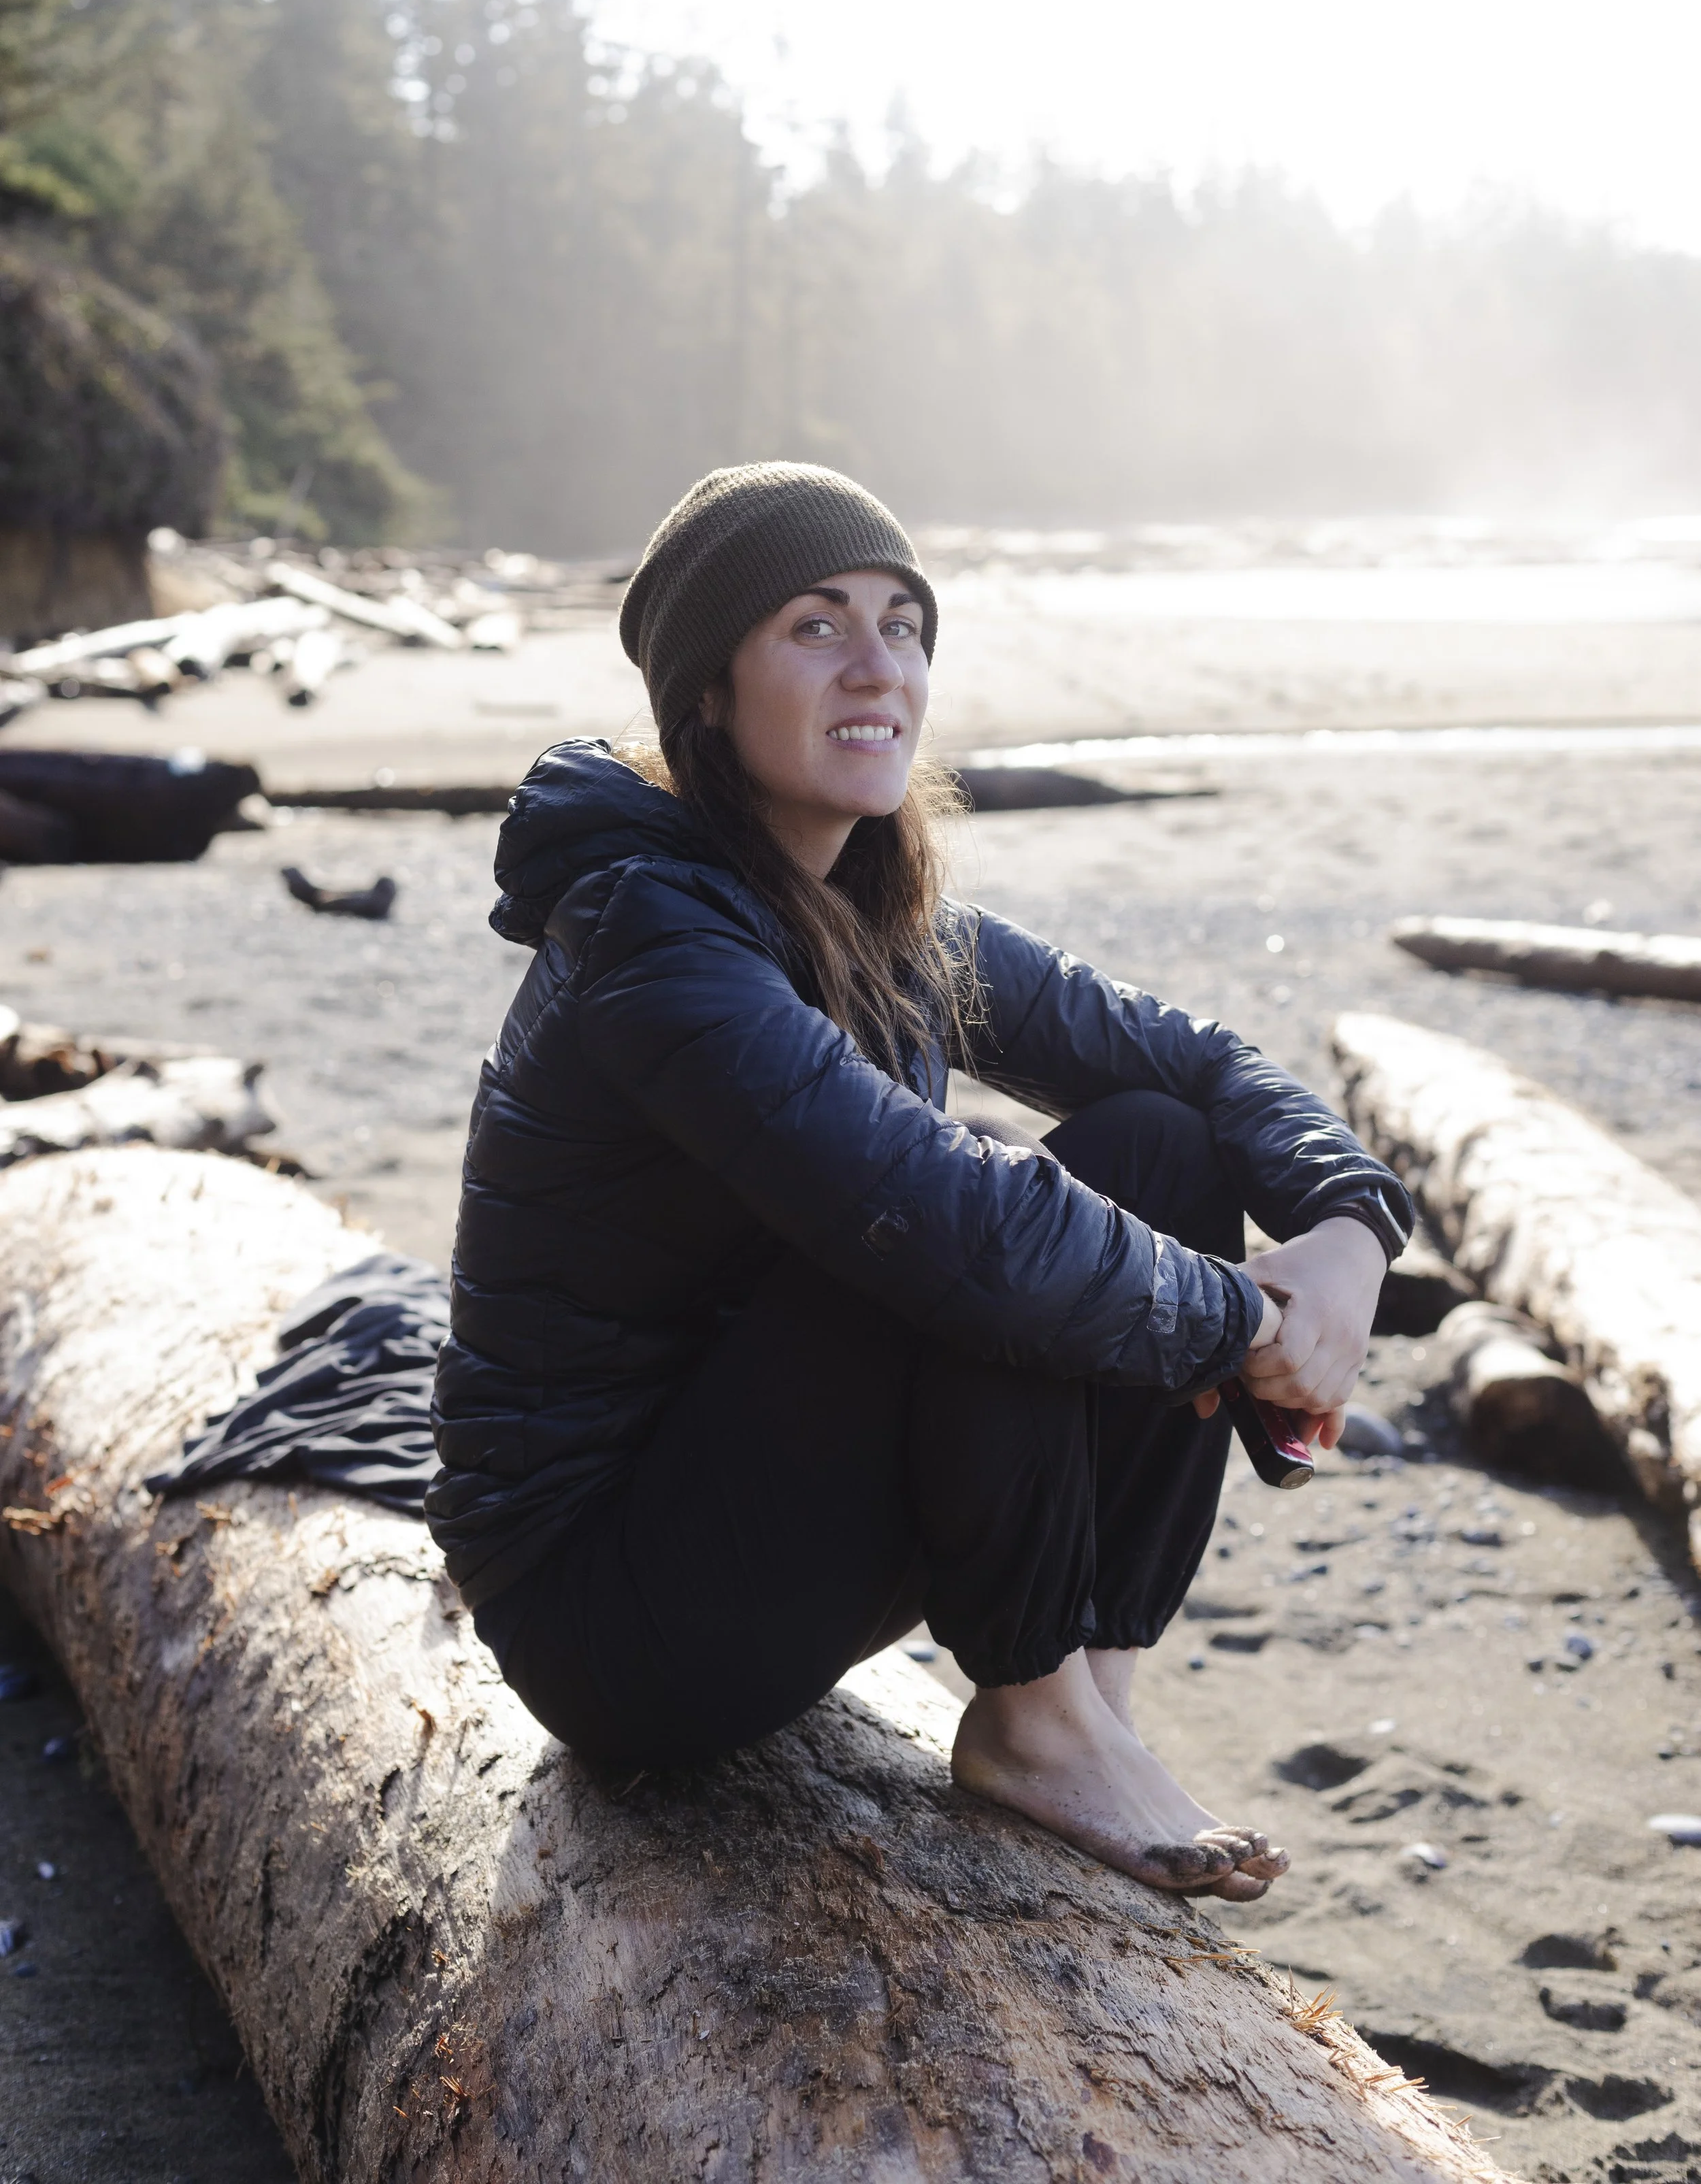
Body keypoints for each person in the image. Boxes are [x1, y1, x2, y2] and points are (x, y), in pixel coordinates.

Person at [427, 463, 1412, 1903]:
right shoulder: (653, 939)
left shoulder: (873, 915)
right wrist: (1250, 1328)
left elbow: (1191, 1062)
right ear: (708, 693)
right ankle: (1028, 1717)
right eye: (814, 627)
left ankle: (1085, 1702)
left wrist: (1345, 1228)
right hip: (610, 1607)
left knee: (1156, 1141)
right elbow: (938, 1214)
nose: (877, 664)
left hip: (775, 1494)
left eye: (903, 622)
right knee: (951, 1231)